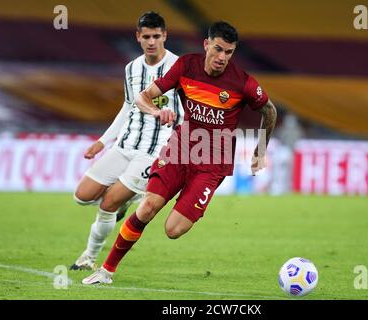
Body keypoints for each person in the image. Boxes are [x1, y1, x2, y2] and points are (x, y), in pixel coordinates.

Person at [82, 21, 277, 284]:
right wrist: (155, 110)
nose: (222, 58)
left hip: (211, 165)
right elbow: (144, 97)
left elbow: (270, 111)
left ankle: (151, 197)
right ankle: (106, 271)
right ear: (206, 44)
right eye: (218, 49)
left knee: (173, 230)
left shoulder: (242, 83)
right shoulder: (186, 66)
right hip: (180, 150)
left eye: (228, 52)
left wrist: (260, 150)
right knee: (148, 208)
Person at [70, 11, 182, 270]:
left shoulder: (179, 68)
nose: (152, 41)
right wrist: (103, 141)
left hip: (153, 151)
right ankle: (130, 197)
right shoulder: (131, 68)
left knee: (109, 203)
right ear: (138, 37)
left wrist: (176, 122)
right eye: (146, 37)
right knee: (82, 196)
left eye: (156, 36)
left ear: (164, 35)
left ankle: (88, 257)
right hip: (125, 144)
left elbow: (189, 108)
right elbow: (128, 107)